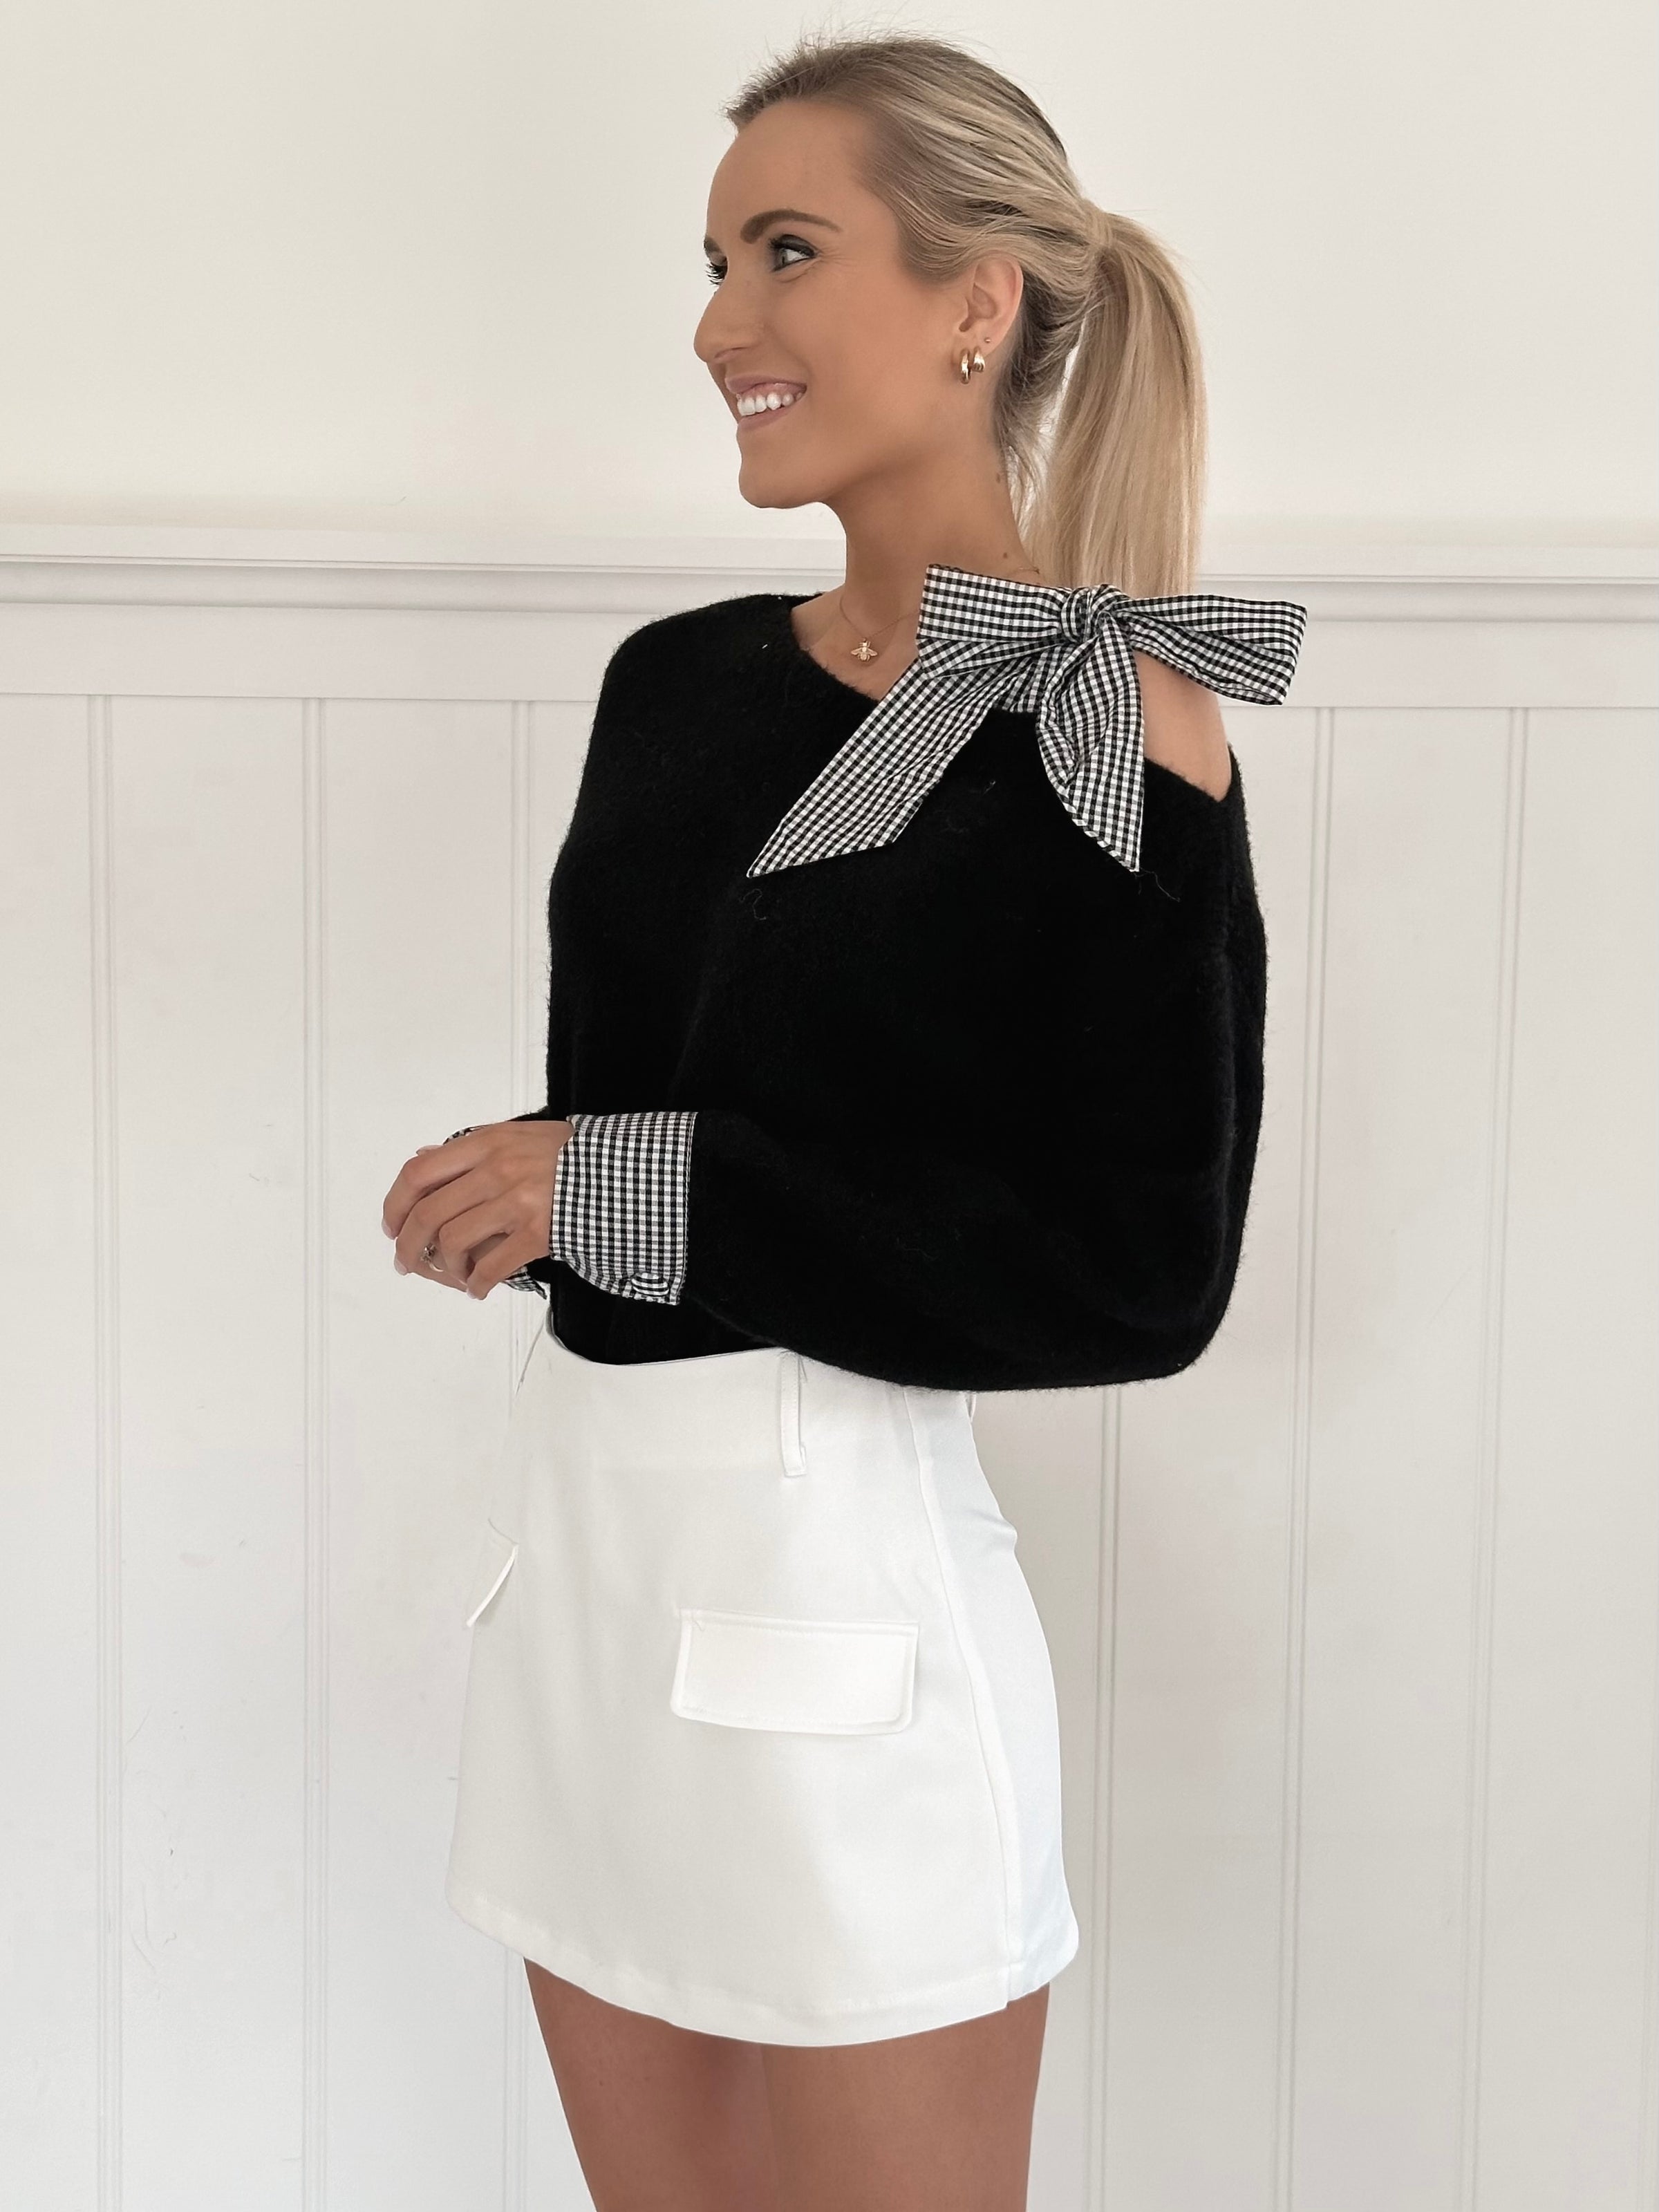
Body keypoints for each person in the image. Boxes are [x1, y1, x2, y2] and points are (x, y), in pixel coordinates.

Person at [379, 30, 1304, 2211]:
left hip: (840, 1640)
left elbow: (1138, 1271)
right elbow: (707, 1125)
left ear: (978, 298)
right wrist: (535, 1191)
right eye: (715, 262)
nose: (725, 322)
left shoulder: (1105, 718)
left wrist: (626, 1185)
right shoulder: (677, 682)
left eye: (787, 252)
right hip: (586, 1586)